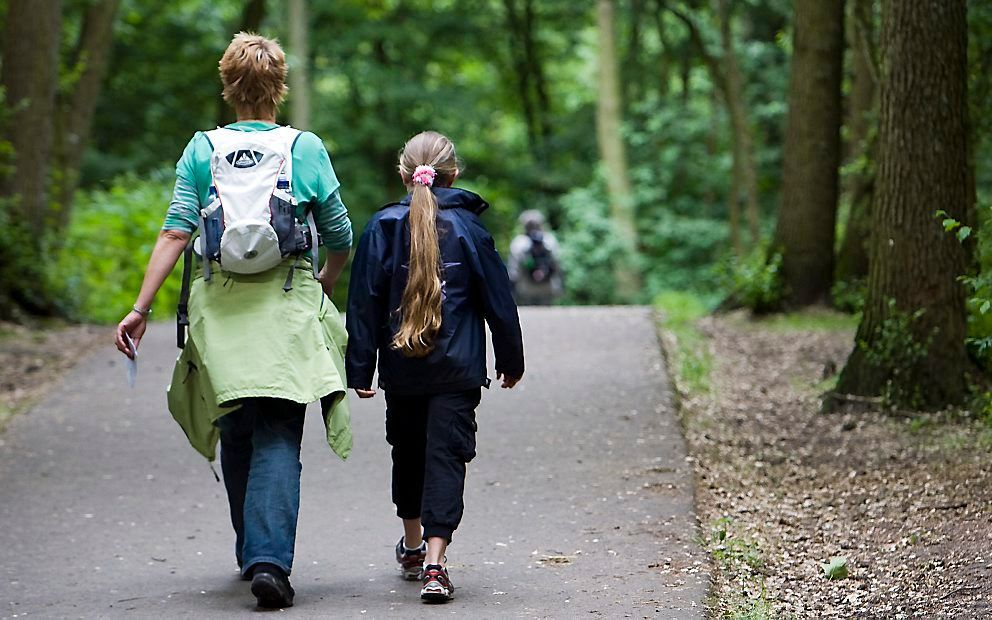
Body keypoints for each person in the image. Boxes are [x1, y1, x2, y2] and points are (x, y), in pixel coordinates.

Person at [114, 32, 353, 610]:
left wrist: (140, 308)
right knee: (277, 427)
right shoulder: (305, 147)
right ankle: (271, 560)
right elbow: (341, 232)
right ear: (280, 86)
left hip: (219, 307)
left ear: (228, 85)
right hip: (287, 302)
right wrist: (325, 280)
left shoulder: (202, 149)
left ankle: (253, 551)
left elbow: (177, 230)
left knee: (238, 422)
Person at [346, 131, 525, 603]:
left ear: (403, 175)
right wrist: (511, 359)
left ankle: (410, 543)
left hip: (403, 368)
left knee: (408, 451)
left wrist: (359, 370)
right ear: (454, 175)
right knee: (446, 456)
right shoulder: (471, 231)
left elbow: (363, 304)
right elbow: (498, 302)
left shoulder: (382, 227)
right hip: (458, 369)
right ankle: (435, 563)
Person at [507, 209, 563, 305]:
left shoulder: (519, 242)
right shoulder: (549, 240)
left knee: (530, 314)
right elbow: (557, 263)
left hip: (526, 287)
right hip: (547, 286)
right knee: (547, 312)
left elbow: (513, 270)